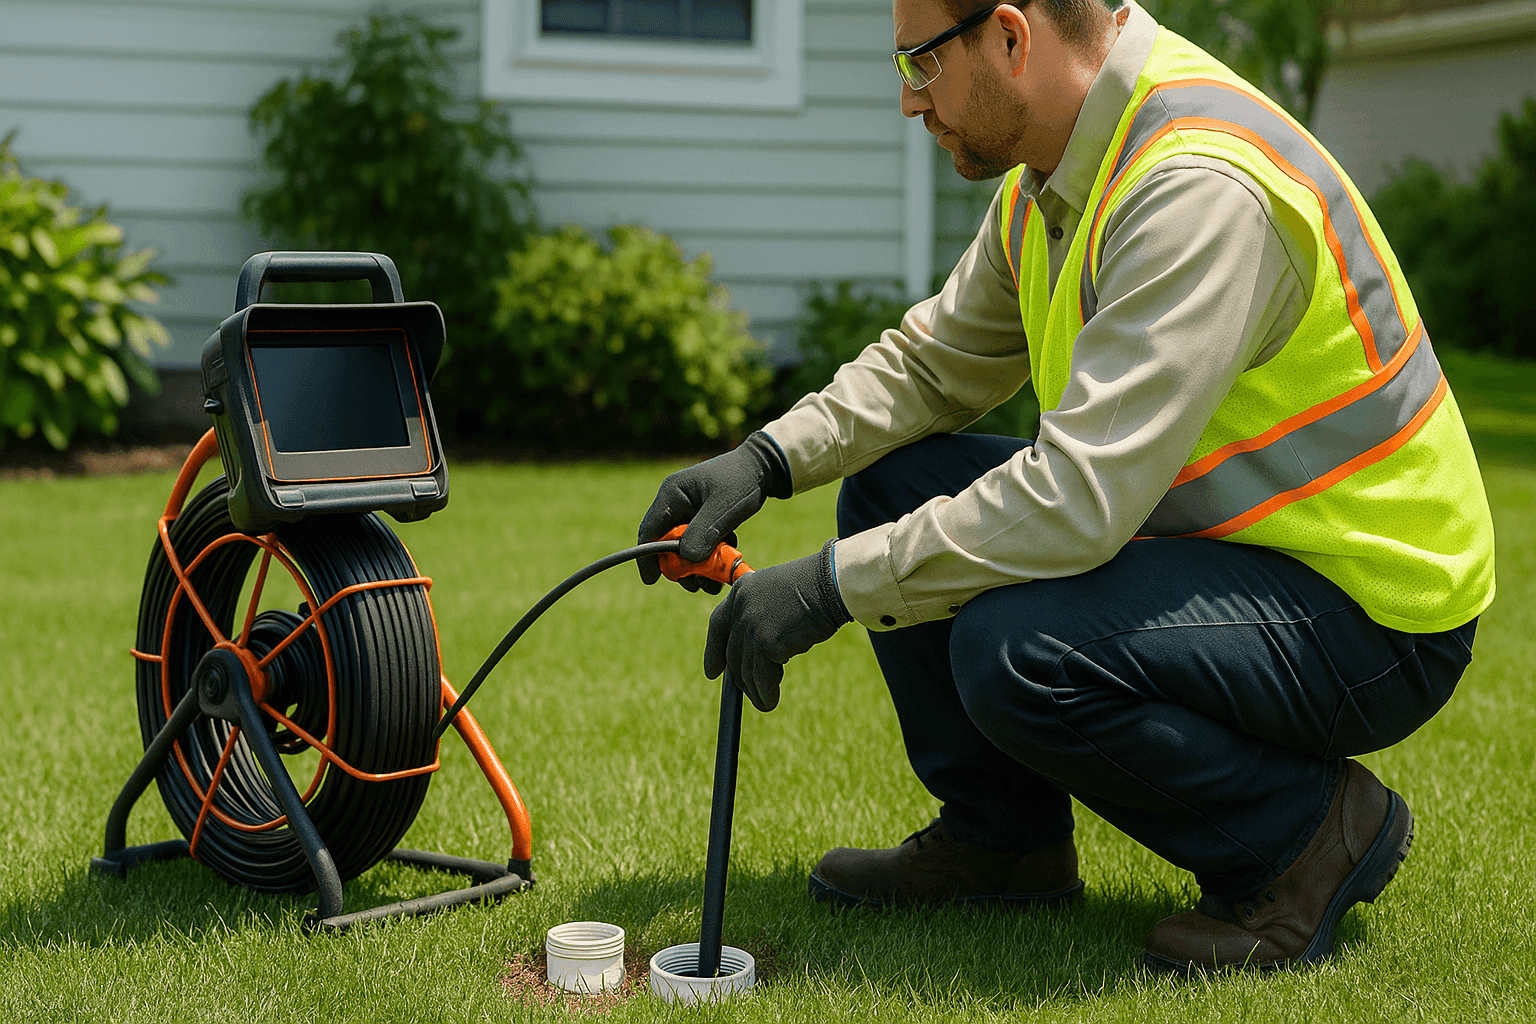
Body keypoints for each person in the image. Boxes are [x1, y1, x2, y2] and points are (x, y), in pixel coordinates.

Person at [636, 0, 1495, 974]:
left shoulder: (1195, 186)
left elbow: (1077, 501)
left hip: (1371, 607)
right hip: (1229, 547)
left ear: (1010, 36)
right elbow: (932, 368)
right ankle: (1003, 842)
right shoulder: (1058, 176)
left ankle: (1306, 836)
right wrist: (762, 461)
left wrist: (829, 586)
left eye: (920, 65)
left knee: (1020, 651)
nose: (911, 102)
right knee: (895, 480)